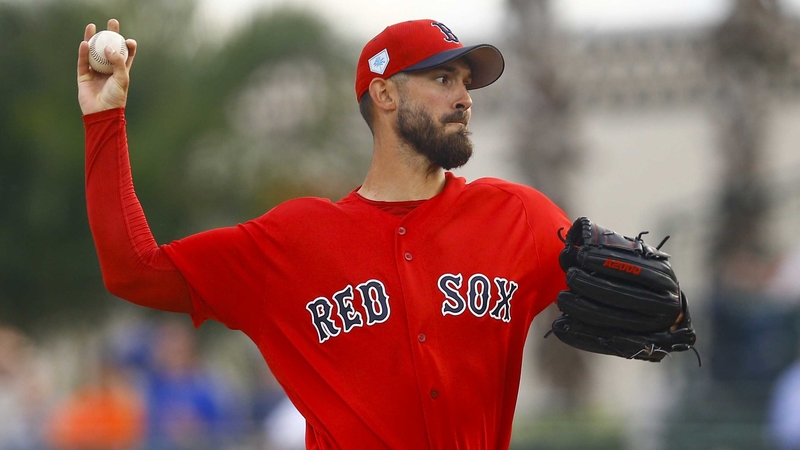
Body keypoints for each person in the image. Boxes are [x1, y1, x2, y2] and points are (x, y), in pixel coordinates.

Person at [78, 18, 571, 449]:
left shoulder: (516, 216)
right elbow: (134, 269)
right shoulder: (294, 243)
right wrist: (104, 119)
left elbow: (632, 289)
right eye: (443, 78)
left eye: (466, 82)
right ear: (384, 94)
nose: (464, 98)